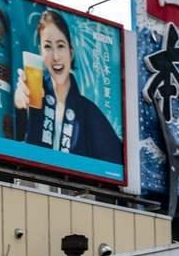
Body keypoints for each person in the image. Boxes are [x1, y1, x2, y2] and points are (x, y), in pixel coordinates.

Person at [13, 9, 123, 163]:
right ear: (41, 52)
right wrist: (19, 109)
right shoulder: (31, 96)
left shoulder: (88, 112)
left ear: (71, 53)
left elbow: (116, 163)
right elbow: (11, 149)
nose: (56, 56)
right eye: (47, 47)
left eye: (60, 46)